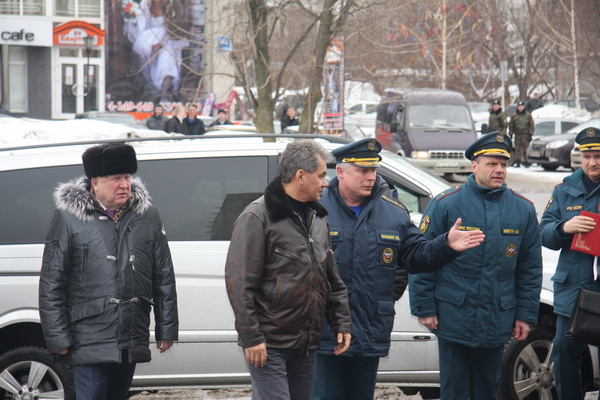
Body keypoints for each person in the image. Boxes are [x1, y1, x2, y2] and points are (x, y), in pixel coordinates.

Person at [312, 138, 485, 400]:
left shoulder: (392, 213)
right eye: (362, 170)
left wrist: (446, 245)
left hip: (369, 330)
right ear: (340, 171)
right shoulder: (316, 209)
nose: (371, 177)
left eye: (373, 170)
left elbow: (416, 256)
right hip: (326, 330)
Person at [39, 143, 178, 400]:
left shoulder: (147, 216)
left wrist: (166, 329)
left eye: (127, 177)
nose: (124, 185)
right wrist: (58, 337)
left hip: (130, 332)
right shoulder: (68, 218)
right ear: (95, 182)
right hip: (87, 336)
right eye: (116, 179)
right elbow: (52, 282)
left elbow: (163, 276)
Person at [409, 132, 542, 400]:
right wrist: (424, 308)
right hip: (453, 314)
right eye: (491, 163)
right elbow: (422, 259)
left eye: (503, 164)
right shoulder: (446, 204)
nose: (499, 170)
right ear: (474, 166)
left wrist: (524, 315)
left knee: (487, 390)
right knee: (455, 390)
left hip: (496, 318)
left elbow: (529, 269)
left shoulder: (522, 209)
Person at [225, 140, 352, 400]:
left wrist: (341, 321)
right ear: (300, 176)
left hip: (305, 344)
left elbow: (330, 277)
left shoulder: (318, 217)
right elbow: (240, 285)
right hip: (268, 344)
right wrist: (251, 337)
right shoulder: (257, 217)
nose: (326, 183)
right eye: (321, 176)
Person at [540, 127, 600, 400]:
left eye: (598, 156)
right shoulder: (564, 190)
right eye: (587, 156)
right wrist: (565, 227)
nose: (592, 162)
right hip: (574, 288)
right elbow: (544, 233)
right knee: (564, 351)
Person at [123, 0, 189, 103]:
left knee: (167, 59)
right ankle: (150, 91)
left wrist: (159, 45)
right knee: (143, 58)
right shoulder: (145, 5)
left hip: (167, 42)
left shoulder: (171, 4)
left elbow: (174, 30)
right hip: (149, 42)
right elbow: (140, 29)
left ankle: (164, 95)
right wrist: (151, 48)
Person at [509, 100, 535, 168]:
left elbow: (531, 125)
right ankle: (517, 161)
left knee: (525, 149)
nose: (520, 108)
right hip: (517, 135)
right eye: (519, 106)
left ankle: (526, 161)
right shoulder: (514, 116)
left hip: (525, 135)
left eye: (522, 106)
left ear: (524, 107)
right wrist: (511, 133)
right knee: (517, 149)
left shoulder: (528, 115)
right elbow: (511, 125)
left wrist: (530, 134)